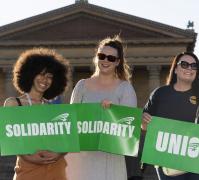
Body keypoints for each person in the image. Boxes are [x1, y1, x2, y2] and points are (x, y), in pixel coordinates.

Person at [142, 52, 199, 180]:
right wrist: (143, 120)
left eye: (194, 66)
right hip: (167, 162)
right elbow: (144, 126)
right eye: (185, 64)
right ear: (175, 69)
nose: (189, 68)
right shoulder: (160, 94)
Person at [65, 35, 137, 180]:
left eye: (111, 58)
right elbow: (71, 123)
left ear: (117, 62)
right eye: (102, 56)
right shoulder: (81, 86)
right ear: (97, 57)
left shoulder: (125, 89)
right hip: (81, 160)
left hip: (109, 162)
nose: (105, 60)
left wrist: (112, 113)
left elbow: (128, 131)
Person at [4, 48, 70, 180]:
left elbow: (67, 141)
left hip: (56, 171)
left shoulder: (54, 109)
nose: (45, 80)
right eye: (41, 74)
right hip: (27, 171)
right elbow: (10, 139)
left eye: (49, 76)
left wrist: (59, 154)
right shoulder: (13, 103)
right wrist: (29, 157)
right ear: (30, 74)